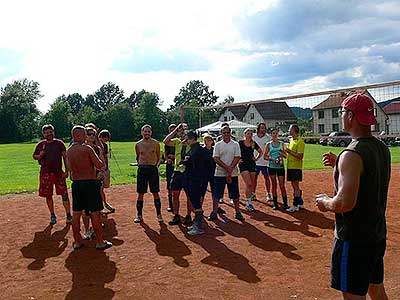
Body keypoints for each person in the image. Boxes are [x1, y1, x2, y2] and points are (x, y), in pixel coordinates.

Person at [316, 93, 390, 300]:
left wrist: (325, 202)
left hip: (354, 238)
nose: (341, 116)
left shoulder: (351, 154)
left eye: (342, 112)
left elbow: (344, 203)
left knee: (353, 296)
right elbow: (368, 176)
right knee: (376, 288)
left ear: (350, 116)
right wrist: (339, 164)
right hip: (376, 234)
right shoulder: (382, 148)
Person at [67, 125, 112, 250]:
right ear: (78, 135)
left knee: (76, 214)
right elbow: (99, 164)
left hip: (76, 184)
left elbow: (70, 170)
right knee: (95, 213)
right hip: (90, 183)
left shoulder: (69, 150)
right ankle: (99, 242)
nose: (85, 137)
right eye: (84, 134)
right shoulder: (87, 148)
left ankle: (77, 241)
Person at [32, 124, 72, 225]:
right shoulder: (41, 145)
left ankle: (68, 214)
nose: (48, 134)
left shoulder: (59, 143)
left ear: (53, 132)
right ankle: (52, 215)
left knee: (64, 194)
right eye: (46, 132)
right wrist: (40, 155)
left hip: (58, 173)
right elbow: (35, 156)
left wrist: (67, 171)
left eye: (50, 132)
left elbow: (65, 157)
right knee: (48, 195)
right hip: (45, 174)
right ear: (43, 134)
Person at [209, 125, 245, 221]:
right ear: (221, 134)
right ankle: (214, 212)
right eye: (224, 133)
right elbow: (216, 158)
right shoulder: (218, 145)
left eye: (227, 132)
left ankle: (238, 212)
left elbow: (237, 157)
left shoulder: (235, 144)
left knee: (235, 194)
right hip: (220, 173)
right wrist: (227, 168)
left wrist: (230, 168)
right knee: (217, 194)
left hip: (233, 173)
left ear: (230, 133)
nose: (226, 134)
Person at [163, 123, 193, 226]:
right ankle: (176, 215)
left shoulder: (191, 142)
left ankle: (189, 215)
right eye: (181, 130)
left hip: (188, 172)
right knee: (175, 194)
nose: (182, 131)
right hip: (176, 171)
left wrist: (187, 137)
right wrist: (175, 130)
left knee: (189, 195)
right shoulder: (177, 142)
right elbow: (165, 141)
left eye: (184, 129)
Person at [134, 125, 163, 223]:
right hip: (142, 169)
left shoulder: (156, 143)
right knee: (140, 193)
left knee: (155, 192)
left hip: (152, 169)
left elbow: (159, 157)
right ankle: (139, 215)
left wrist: (156, 166)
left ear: (151, 132)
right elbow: (138, 156)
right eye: (145, 131)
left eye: (148, 131)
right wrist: (140, 165)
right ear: (142, 132)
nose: (147, 133)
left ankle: (159, 214)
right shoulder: (138, 144)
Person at [180, 130, 207, 235]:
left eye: (187, 138)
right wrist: (183, 147)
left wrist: (183, 162)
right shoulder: (192, 148)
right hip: (190, 177)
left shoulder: (198, 149)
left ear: (191, 138)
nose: (185, 139)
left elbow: (189, 161)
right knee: (193, 199)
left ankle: (198, 226)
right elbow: (185, 158)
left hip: (196, 178)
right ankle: (197, 223)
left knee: (195, 201)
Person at [238, 128, 262, 212]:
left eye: (251, 133)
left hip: (251, 164)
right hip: (243, 164)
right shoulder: (240, 143)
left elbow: (260, 151)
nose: (249, 135)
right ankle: (248, 203)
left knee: (251, 184)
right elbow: (235, 151)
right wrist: (237, 160)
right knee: (248, 183)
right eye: (248, 133)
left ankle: (249, 200)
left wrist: (256, 159)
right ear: (245, 134)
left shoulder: (253, 143)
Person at [264, 128, 288, 210]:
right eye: (273, 133)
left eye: (276, 133)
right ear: (271, 134)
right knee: (274, 185)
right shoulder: (268, 144)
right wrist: (272, 159)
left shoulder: (282, 144)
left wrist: (282, 154)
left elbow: (286, 156)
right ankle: (275, 204)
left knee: (282, 185)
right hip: (272, 166)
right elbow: (265, 156)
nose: (275, 135)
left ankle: (285, 203)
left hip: (280, 166)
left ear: (278, 134)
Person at [285, 124, 305, 212]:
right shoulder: (291, 140)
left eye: (290, 129)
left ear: (294, 130)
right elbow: (290, 155)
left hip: (296, 167)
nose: (289, 130)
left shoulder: (300, 141)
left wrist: (289, 151)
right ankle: (300, 202)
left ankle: (295, 205)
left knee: (295, 186)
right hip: (290, 166)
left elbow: (300, 156)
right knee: (294, 185)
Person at [252, 122, 272, 202]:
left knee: (267, 178)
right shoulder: (253, 137)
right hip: (255, 162)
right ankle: (253, 193)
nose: (263, 129)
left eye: (264, 128)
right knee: (254, 179)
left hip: (265, 162)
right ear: (258, 129)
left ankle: (268, 193)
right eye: (262, 128)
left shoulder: (268, 138)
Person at [99, 129, 115, 213]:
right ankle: (102, 205)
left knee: (101, 188)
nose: (107, 140)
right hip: (96, 170)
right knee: (99, 189)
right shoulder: (93, 145)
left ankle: (104, 203)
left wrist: (106, 167)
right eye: (106, 138)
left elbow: (105, 157)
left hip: (103, 169)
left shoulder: (105, 145)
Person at [164, 124, 177, 212]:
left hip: (179, 164)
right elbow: (165, 153)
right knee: (169, 184)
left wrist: (175, 156)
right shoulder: (168, 142)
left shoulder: (179, 141)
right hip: (170, 164)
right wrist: (167, 159)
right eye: (171, 130)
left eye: (174, 130)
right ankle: (170, 204)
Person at [201, 133, 216, 206]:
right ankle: (199, 206)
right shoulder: (202, 150)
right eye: (206, 140)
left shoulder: (215, 150)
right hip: (204, 173)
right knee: (202, 191)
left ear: (212, 141)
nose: (208, 141)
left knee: (214, 191)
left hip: (213, 172)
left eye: (209, 140)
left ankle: (216, 206)